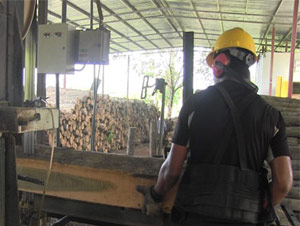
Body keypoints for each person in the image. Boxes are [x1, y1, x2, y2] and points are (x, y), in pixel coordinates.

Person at [137, 27, 293, 226]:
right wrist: (255, 207)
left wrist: (155, 195)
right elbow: (283, 184)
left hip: (194, 217)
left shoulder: (194, 105)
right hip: (248, 220)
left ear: (220, 63)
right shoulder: (272, 117)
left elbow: (172, 172)